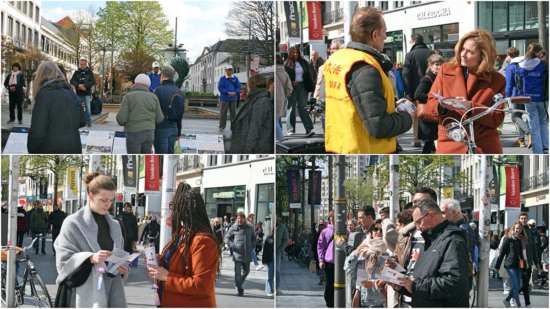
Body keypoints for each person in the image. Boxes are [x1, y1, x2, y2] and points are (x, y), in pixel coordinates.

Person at [322, 7, 413, 154]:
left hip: (341, 145)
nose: (385, 37)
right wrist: (407, 117)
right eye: (384, 32)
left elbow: (350, 102)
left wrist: (390, 105)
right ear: (375, 34)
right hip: (365, 148)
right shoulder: (366, 68)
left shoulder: (337, 60)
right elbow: (379, 126)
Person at [424, 30, 506, 154]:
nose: (463, 54)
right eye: (462, 49)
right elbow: (429, 105)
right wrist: (441, 106)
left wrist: (471, 107)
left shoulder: (497, 80)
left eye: (470, 52)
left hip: (483, 146)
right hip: (451, 141)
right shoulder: (445, 70)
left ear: (483, 55)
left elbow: (497, 119)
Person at [54, 172, 128, 307]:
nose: (108, 205)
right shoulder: (73, 222)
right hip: (83, 295)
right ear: (91, 196)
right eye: (104, 200)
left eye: (111, 200)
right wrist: (90, 258)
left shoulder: (115, 225)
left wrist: (122, 268)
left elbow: (118, 255)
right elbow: (63, 262)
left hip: (112, 291)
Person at [146, 183, 219, 307]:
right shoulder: (181, 234)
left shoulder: (203, 241)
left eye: (173, 206)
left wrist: (167, 277)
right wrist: (161, 261)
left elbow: (200, 285)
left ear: (183, 210)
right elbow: (177, 266)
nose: (171, 211)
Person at [389, 198, 469, 307]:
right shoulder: (429, 240)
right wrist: (403, 286)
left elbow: (454, 282)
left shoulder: (453, 240)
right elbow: (423, 279)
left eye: (419, 222)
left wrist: (415, 285)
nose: (417, 227)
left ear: (431, 215)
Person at [389, 187, 437, 307]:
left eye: (421, 202)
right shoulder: (405, 233)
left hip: (430, 300)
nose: (416, 206)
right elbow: (397, 258)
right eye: (414, 202)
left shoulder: (445, 234)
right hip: (404, 298)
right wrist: (390, 269)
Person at [27, 61, 86, 154]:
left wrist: (32, 148)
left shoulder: (44, 95)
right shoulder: (71, 93)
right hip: (74, 145)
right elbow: (82, 120)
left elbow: (37, 130)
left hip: (51, 146)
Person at [506, 43, 548, 154]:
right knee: (542, 122)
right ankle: (546, 147)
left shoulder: (520, 66)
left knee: (533, 125)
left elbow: (511, 83)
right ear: (538, 53)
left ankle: (537, 150)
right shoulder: (544, 65)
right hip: (542, 98)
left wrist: (508, 97)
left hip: (527, 98)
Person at [116, 74, 164, 154]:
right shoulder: (153, 97)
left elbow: (121, 119)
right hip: (149, 134)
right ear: (148, 85)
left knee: (134, 161)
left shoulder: (128, 96)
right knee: (145, 160)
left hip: (133, 133)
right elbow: (159, 118)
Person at [402, 33, 436, 148]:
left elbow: (406, 74)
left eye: (410, 42)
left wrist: (407, 92)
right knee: (431, 114)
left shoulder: (410, 55)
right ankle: (430, 140)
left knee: (418, 114)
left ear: (414, 42)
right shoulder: (432, 53)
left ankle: (417, 140)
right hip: (432, 89)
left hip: (415, 90)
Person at [229, 74, 274, 154]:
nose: (247, 87)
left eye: (248, 85)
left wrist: (247, 151)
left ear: (252, 86)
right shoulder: (255, 99)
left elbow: (254, 130)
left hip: (256, 149)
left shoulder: (261, 102)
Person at [439, 198, 476, 289]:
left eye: (443, 213)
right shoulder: (453, 228)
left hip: (458, 283)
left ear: (454, 213)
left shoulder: (463, 229)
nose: (441, 216)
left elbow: (466, 260)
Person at [350, 219, 387, 308]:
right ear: (371, 231)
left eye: (382, 230)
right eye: (376, 229)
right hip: (364, 300)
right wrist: (355, 254)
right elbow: (349, 269)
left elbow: (387, 276)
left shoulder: (387, 251)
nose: (378, 232)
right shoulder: (364, 250)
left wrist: (373, 283)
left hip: (379, 301)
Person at [495, 221, 529, 308]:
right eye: (517, 228)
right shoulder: (508, 238)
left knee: (517, 286)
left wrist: (525, 267)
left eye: (520, 229)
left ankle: (506, 300)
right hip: (510, 264)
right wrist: (497, 266)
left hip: (519, 265)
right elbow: (502, 253)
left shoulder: (522, 239)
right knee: (516, 285)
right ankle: (519, 305)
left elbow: (524, 255)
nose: (518, 230)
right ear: (513, 228)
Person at [415, 53, 444, 154]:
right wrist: (433, 99)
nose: (439, 67)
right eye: (436, 64)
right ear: (431, 66)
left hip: (435, 115)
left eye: (441, 64)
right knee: (428, 145)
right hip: (429, 116)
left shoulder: (440, 77)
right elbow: (417, 95)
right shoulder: (427, 79)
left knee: (432, 145)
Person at [284, 46, 315, 137]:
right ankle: (290, 129)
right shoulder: (286, 63)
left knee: (303, 107)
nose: (295, 54)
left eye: (297, 52)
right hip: (291, 87)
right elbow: (285, 76)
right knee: (291, 107)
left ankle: (308, 128)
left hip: (302, 86)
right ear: (290, 53)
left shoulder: (303, 62)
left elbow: (308, 74)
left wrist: (311, 86)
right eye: (293, 52)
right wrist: (290, 82)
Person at [153, 67, 185, 154]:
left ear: (162, 76)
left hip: (161, 128)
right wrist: (179, 132)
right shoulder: (180, 93)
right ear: (173, 77)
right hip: (174, 128)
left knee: (160, 154)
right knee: (170, 154)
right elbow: (180, 114)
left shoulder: (159, 90)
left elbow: (153, 111)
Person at [225, 212, 256, 296]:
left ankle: (237, 284)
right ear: (236, 219)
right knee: (237, 273)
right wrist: (233, 246)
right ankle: (240, 289)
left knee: (247, 271)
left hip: (247, 253)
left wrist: (252, 246)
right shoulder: (233, 228)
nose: (239, 220)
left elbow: (254, 238)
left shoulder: (249, 228)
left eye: (241, 218)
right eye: (238, 218)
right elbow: (227, 238)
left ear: (244, 219)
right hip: (237, 254)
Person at [518, 213, 540, 307]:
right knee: (516, 284)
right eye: (522, 218)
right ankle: (511, 297)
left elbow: (534, 247)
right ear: (519, 219)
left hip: (527, 262)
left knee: (526, 283)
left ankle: (527, 303)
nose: (523, 220)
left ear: (527, 220)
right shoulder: (516, 230)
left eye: (525, 218)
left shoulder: (530, 232)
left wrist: (536, 261)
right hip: (517, 261)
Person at [318, 210, 337, 307]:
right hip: (329, 263)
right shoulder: (325, 231)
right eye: (331, 216)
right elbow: (320, 246)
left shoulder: (345, 231)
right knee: (328, 286)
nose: (333, 218)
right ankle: (329, 305)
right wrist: (321, 260)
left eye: (334, 216)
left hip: (341, 264)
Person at [70, 59, 95, 127]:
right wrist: (78, 85)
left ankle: (88, 120)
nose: (82, 66)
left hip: (86, 92)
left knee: (88, 108)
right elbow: (72, 80)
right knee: (77, 106)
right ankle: (77, 120)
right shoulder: (76, 72)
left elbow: (92, 81)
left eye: (83, 64)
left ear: (86, 64)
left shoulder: (90, 72)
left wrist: (85, 86)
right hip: (78, 92)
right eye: (81, 64)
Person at [218, 64, 241, 132]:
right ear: (226, 70)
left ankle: (233, 126)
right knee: (223, 113)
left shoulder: (235, 78)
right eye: (228, 70)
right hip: (225, 98)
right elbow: (220, 87)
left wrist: (234, 93)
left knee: (233, 113)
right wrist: (228, 92)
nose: (230, 71)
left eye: (231, 70)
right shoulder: (222, 78)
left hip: (233, 98)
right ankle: (222, 126)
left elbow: (238, 87)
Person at [276, 53, 293, 143]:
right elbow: (289, 88)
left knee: (275, 120)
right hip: (281, 99)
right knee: (277, 118)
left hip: (272, 99)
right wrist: (282, 94)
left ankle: (280, 138)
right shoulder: (284, 73)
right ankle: (279, 137)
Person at [275, 215, 289, 295]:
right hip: (269, 251)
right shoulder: (270, 224)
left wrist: (280, 249)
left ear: (277, 216)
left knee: (277, 270)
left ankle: (277, 287)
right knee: (270, 270)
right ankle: (269, 288)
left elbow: (286, 239)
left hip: (277, 251)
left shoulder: (282, 227)